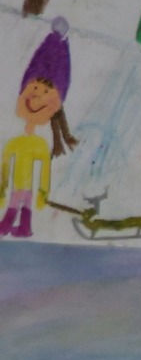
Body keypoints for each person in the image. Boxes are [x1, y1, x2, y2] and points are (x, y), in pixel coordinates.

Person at [2, 20, 76, 238]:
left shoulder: (37, 144)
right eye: (34, 88)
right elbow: (5, 166)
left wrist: (43, 191)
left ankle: (9, 224)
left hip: (22, 187)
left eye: (45, 92)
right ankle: (22, 226)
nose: (35, 98)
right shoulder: (18, 143)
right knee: (23, 199)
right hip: (21, 186)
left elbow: (43, 170)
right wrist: (2, 187)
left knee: (20, 198)